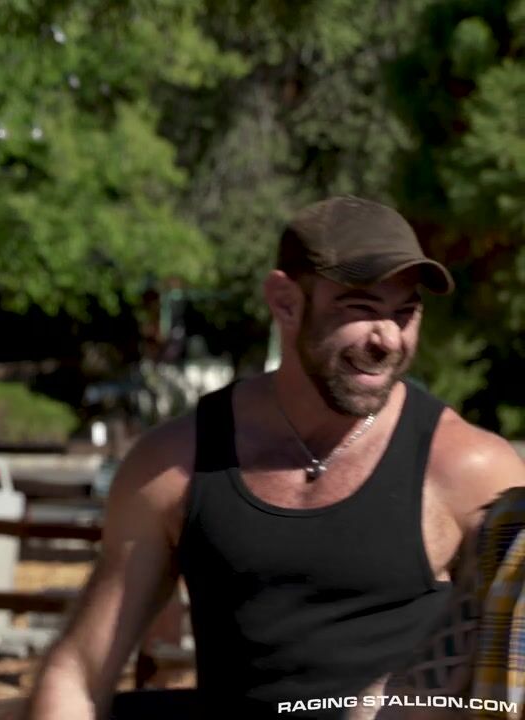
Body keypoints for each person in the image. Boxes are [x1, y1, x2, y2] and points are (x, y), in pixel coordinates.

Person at [27, 196, 525, 719]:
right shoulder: (173, 465)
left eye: (405, 313)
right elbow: (77, 675)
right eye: (360, 309)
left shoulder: (471, 468)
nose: (388, 339)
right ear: (285, 302)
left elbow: (509, 668)